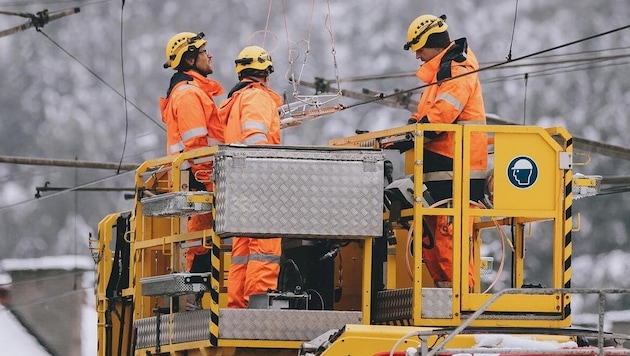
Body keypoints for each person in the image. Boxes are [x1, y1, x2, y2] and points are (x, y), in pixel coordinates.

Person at [403, 14, 488, 288]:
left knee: (448, 237)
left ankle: (461, 303)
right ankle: (446, 300)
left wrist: (413, 133)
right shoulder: (440, 74)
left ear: (431, 43)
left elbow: (441, 116)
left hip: (457, 169)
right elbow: (428, 117)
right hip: (441, 168)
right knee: (432, 242)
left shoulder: (458, 69)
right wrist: (410, 130)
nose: (417, 55)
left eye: (419, 49)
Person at [218, 45, 283, 308]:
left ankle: (238, 307)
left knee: (242, 252)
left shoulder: (236, 101)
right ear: (266, 72)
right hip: (259, 182)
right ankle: (258, 306)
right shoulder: (257, 98)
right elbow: (256, 140)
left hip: (240, 185)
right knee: (264, 249)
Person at [159, 32, 225, 273]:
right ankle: (196, 292)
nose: (209, 55)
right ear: (189, 60)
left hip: (196, 180)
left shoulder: (192, 91)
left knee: (202, 243)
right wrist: (210, 184)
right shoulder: (188, 94)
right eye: (203, 52)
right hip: (198, 182)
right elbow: (197, 145)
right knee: (200, 245)